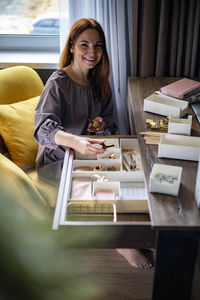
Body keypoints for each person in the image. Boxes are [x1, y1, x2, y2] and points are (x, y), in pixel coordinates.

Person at [34, 18, 153, 269]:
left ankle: (138, 232)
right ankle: (121, 243)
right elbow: (43, 129)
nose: (92, 52)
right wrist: (76, 141)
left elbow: (109, 122)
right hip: (59, 160)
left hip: (89, 152)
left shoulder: (100, 81)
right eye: (84, 45)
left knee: (135, 172)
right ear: (72, 47)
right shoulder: (58, 83)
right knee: (100, 184)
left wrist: (101, 128)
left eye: (98, 46)